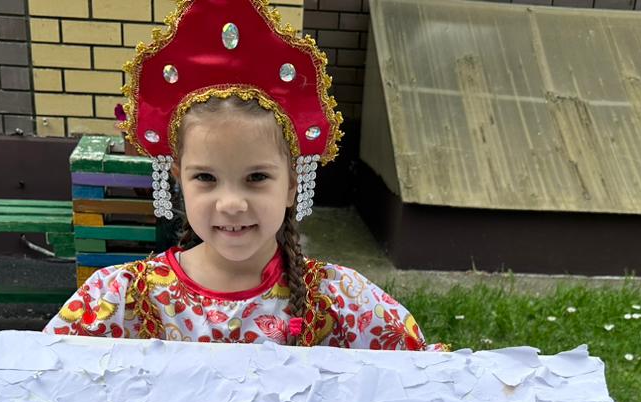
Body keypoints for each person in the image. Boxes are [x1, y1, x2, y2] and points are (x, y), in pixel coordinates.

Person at [44, 0, 439, 351]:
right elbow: (40, 374)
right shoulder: (119, 301)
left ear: (292, 185)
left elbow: (429, 379)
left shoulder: (344, 303)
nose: (231, 203)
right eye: (206, 178)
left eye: (256, 178)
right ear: (178, 179)